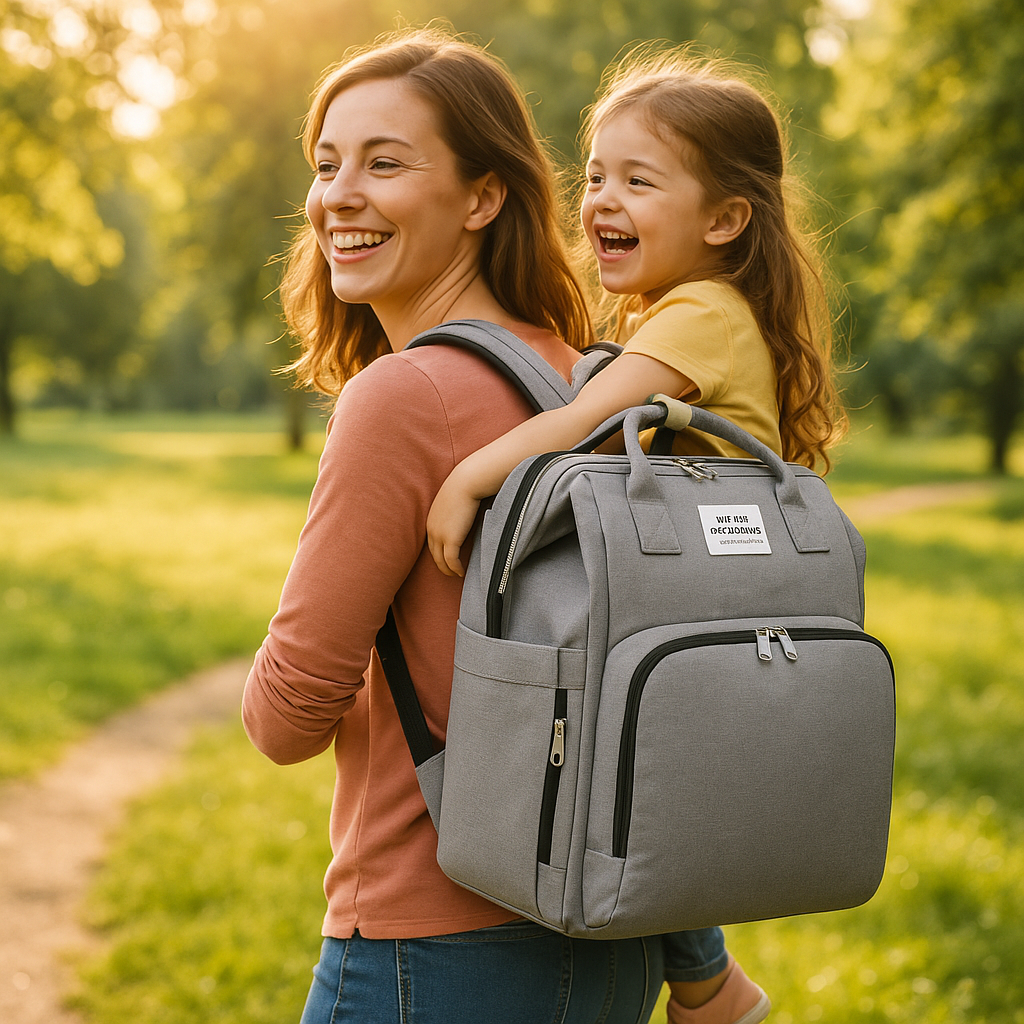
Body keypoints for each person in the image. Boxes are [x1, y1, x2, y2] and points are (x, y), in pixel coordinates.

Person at [242, 27, 670, 1024]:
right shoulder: (588, 377)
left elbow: (285, 720)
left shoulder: (400, 397)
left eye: (385, 163)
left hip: (427, 948)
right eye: (326, 165)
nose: (339, 195)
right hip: (609, 943)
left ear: (483, 197)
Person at [427, 47, 848, 1024]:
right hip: (703, 596)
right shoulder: (682, 310)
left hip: (686, 590)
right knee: (650, 772)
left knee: (633, 762)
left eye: (639, 181)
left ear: (724, 219)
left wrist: (467, 477)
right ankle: (707, 984)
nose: (603, 201)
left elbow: (583, 421)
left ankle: (709, 982)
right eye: (595, 177)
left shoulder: (702, 314)